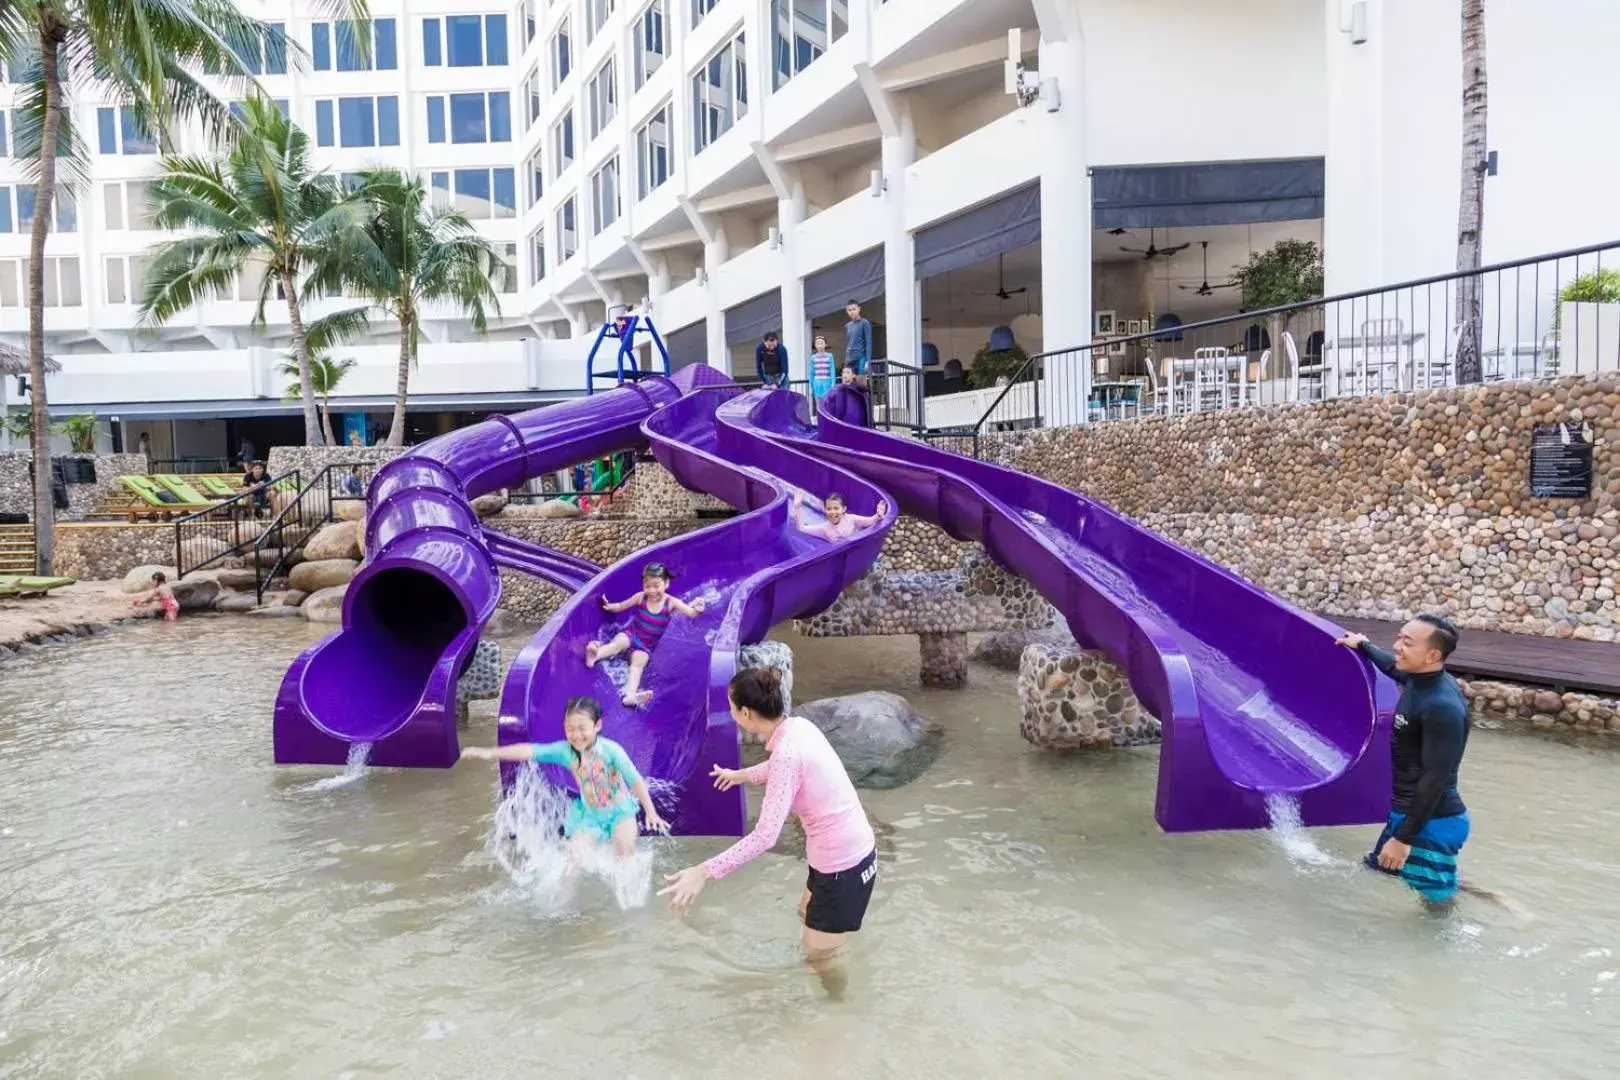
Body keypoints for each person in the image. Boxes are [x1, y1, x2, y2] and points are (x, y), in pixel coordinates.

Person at [661, 666, 877, 998]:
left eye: (732, 708)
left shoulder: (787, 754)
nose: (731, 714)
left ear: (746, 712)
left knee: (820, 963)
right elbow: (786, 769)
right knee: (805, 912)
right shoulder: (798, 728)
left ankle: (836, 1021)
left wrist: (703, 872)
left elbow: (765, 837)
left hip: (842, 868)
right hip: (849, 853)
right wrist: (743, 776)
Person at [1336, 615, 1474, 908]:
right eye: (1399, 638)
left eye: (1407, 643)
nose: (1397, 646)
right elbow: (1389, 664)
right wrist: (1363, 644)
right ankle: (1457, 882)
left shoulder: (1442, 707)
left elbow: (1435, 778)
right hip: (1411, 815)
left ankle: (1440, 947)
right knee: (1378, 871)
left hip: (1430, 821)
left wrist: (1403, 838)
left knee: (1436, 908)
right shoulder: (1420, 678)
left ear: (1433, 655)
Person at [462, 696, 670, 859]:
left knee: (624, 856)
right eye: (570, 729)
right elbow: (528, 750)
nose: (576, 735)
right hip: (591, 816)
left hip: (620, 812)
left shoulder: (612, 750)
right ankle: (563, 909)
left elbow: (635, 780)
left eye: (582, 728)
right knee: (573, 859)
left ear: (597, 726)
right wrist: (490, 753)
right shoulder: (565, 751)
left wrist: (650, 812)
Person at [587, 563, 707, 707]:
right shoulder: (640, 597)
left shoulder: (671, 602)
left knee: (637, 665)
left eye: (656, 586)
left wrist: (698, 609)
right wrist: (610, 607)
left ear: (666, 583)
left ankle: (630, 696)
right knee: (617, 645)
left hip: (645, 647)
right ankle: (596, 654)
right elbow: (621, 606)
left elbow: (691, 613)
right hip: (631, 633)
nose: (651, 590)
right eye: (647, 586)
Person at [794, 491, 887, 542]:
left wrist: (878, 515)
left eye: (836, 508)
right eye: (829, 508)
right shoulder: (824, 529)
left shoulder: (851, 519)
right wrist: (797, 507)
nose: (832, 512)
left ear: (843, 509)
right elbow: (801, 528)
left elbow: (871, 521)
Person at [843, 301, 873, 378]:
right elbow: (847, 344)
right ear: (846, 311)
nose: (852, 312)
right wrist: (846, 360)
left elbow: (868, 342)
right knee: (848, 382)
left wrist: (868, 361)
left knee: (860, 381)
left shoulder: (865, 323)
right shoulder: (847, 326)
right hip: (849, 358)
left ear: (859, 309)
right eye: (849, 310)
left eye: (854, 309)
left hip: (861, 357)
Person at [808, 335, 837, 404]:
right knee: (818, 404)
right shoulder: (813, 357)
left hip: (827, 382)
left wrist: (833, 384)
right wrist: (810, 387)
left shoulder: (830, 356)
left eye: (821, 343)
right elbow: (811, 373)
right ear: (815, 345)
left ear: (825, 344)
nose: (820, 345)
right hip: (817, 383)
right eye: (817, 343)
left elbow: (832, 371)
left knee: (827, 403)